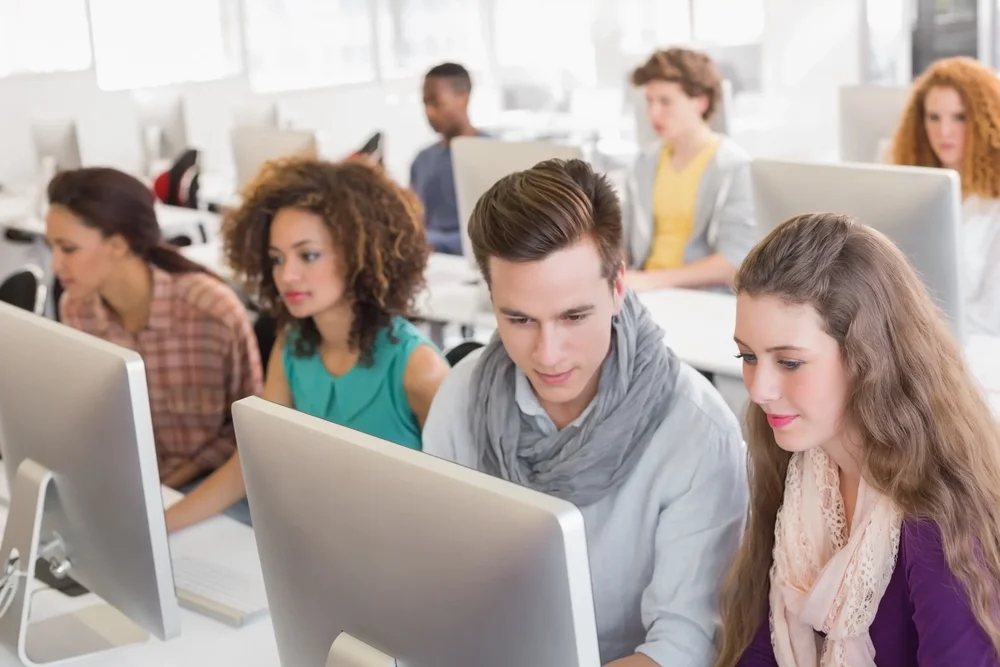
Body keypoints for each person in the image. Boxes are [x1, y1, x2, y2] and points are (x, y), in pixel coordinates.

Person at [422, 158, 748, 666]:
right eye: (520, 319)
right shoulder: (462, 397)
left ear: (618, 286)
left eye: (574, 316)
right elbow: (439, 579)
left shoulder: (697, 433)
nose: (548, 354)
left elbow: (683, 647)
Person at [715, 213, 1000, 667]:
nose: (758, 389)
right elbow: (761, 649)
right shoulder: (800, 469)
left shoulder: (932, 515)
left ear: (868, 359)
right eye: (748, 356)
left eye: (788, 362)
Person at [165, 158, 450, 532]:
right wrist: (160, 524)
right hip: (320, 540)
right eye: (277, 259)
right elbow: (253, 458)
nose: (287, 275)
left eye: (308, 255)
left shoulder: (419, 371)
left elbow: (458, 510)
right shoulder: (292, 346)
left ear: (360, 254)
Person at [46, 167, 263, 490]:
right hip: (123, 480)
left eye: (68, 248)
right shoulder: (76, 309)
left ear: (118, 245)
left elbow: (248, 431)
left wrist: (164, 490)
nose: (55, 264)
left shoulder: (211, 311)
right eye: (52, 247)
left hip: (205, 486)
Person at [623, 47, 757, 293]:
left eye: (665, 101)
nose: (653, 113)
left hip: (696, 296)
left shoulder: (731, 165)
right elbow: (622, 245)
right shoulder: (643, 162)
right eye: (650, 101)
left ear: (701, 102)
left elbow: (734, 260)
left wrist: (652, 280)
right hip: (642, 291)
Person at [890, 56, 1000, 336]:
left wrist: (919, 328)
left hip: (969, 348)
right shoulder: (910, 189)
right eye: (933, 117)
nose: (944, 132)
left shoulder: (993, 205)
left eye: (960, 117)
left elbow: (992, 317)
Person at [410, 62, 483, 255]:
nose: (429, 112)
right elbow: (414, 220)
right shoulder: (422, 159)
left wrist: (434, 242)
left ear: (463, 98)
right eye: (425, 103)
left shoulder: (491, 153)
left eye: (436, 103)